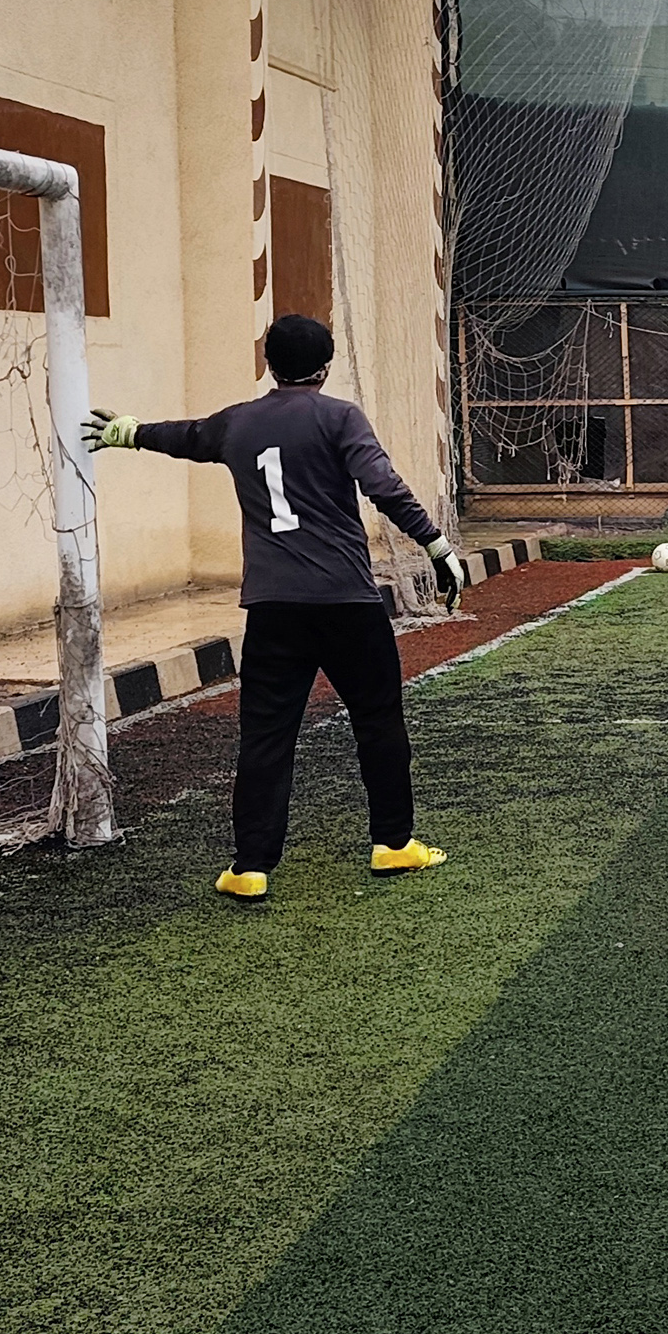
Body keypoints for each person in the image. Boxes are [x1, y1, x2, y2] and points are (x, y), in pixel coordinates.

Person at [84, 313, 464, 902]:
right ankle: (393, 843)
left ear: (269, 364)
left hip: (272, 607)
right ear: (326, 367)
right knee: (378, 720)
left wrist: (128, 432)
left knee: (266, 735)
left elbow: (186, 436)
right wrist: (436, 546)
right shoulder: (340, 417)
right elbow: (382, 485)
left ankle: (250, 867)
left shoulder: (237, 423)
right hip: (346, 601)